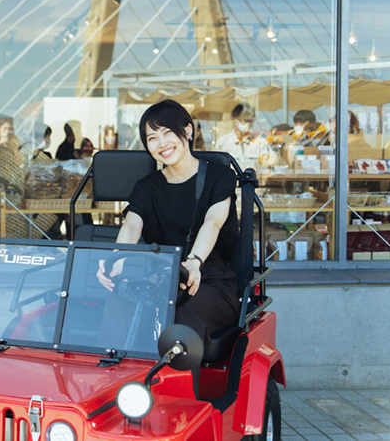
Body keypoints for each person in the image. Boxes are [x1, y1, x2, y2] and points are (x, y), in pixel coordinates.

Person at [97, 100, 240, 346]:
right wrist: (117, 258)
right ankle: (109, 376)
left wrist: (194, 263)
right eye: (152, 138)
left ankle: (179, 384)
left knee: (180, 309)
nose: (162, 143)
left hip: (210, 282)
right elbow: (132, 225)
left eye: (168, 132)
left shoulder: (220, 176)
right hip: (161, 281)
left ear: (187, 130)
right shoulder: (147, 186)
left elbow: (213, 222)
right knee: (119, 299)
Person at [214, 104, 273, 168]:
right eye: (245, 119)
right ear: (235, 119)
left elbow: (268, 168)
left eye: (251, 120)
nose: (248, 123)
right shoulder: (223, 142)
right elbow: (216, 166)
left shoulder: (261, 143)